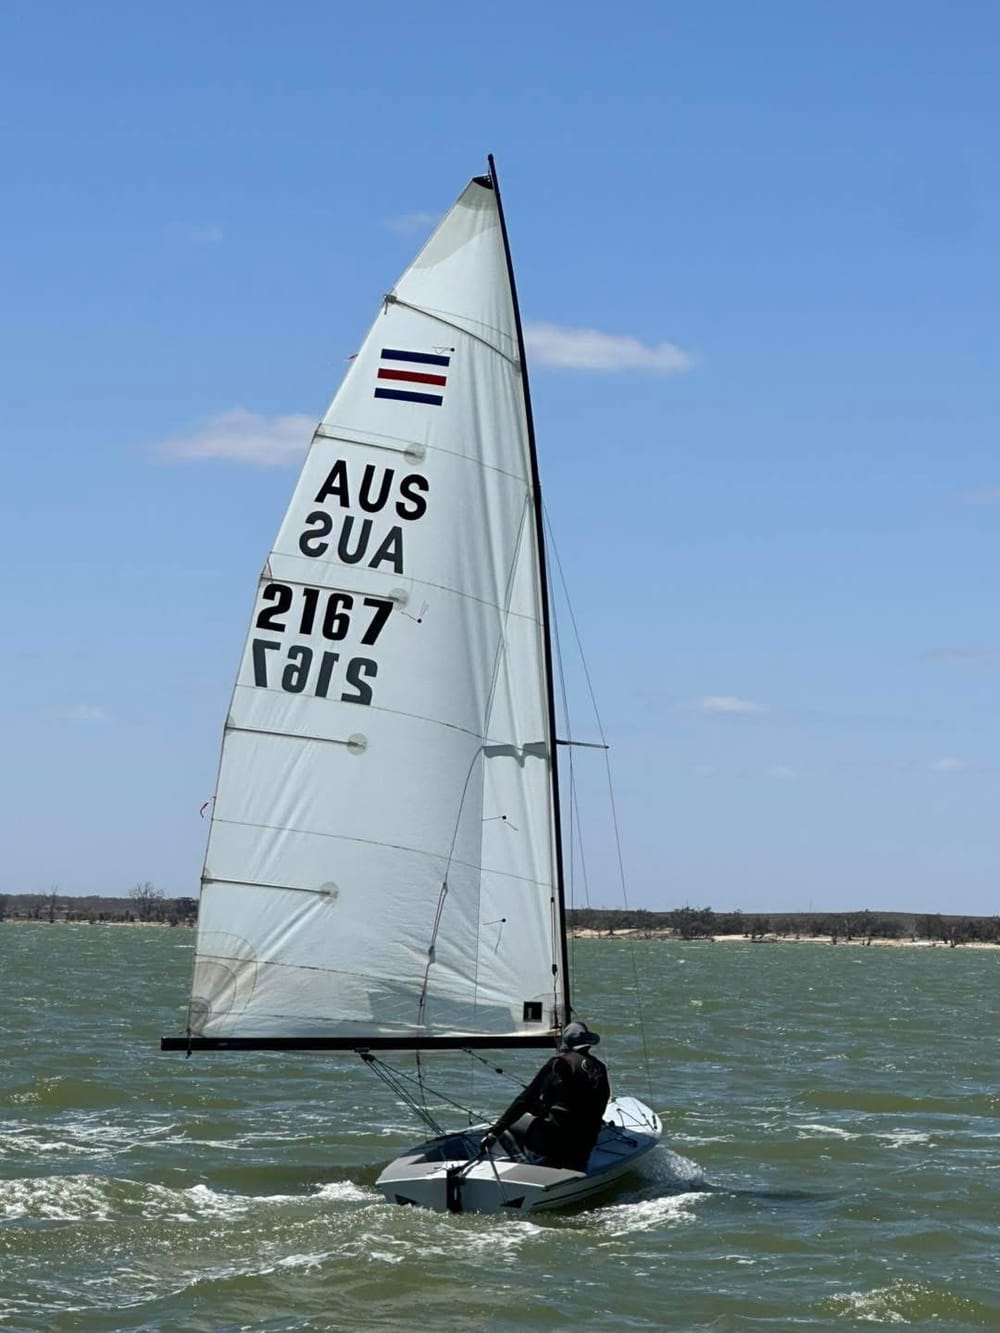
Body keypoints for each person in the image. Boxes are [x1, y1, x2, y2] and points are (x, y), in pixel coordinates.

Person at [481, 1021, 610, 1171]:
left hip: (557, 1142)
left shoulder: (560, 1063)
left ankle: (528, 1166)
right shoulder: (599, 1067)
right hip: (584, 1146)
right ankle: (565, 1161)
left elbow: (525, 1100)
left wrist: (494, 1132)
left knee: (509, 1125)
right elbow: (599, 1102)